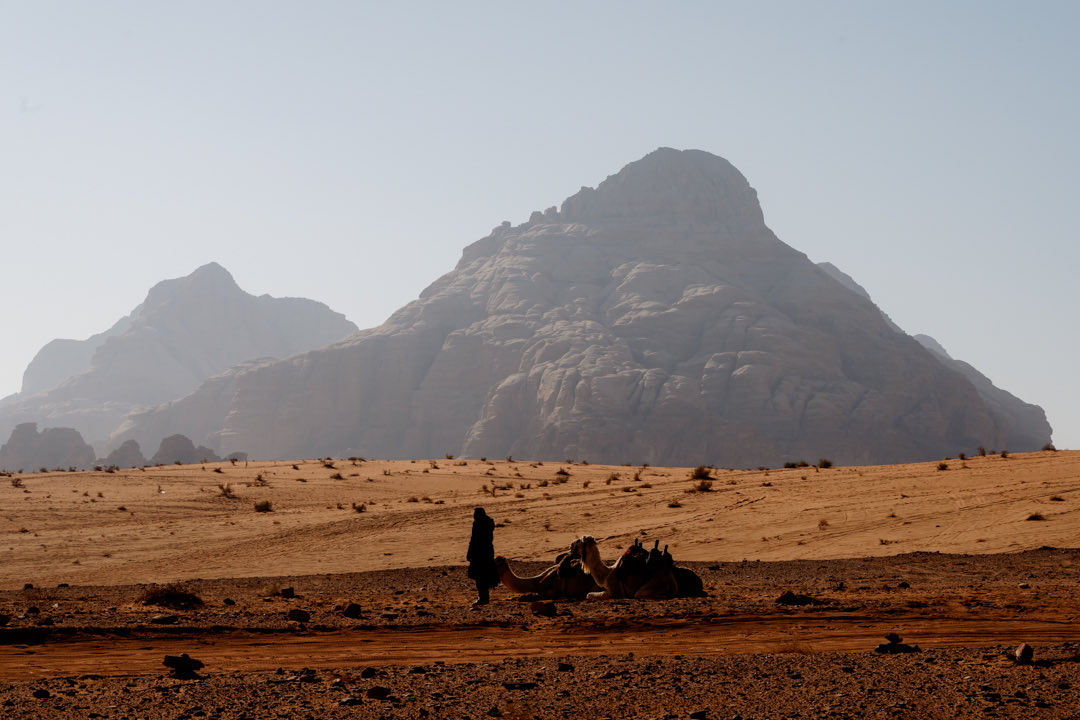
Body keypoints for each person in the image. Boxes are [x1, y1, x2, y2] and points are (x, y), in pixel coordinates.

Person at [466, 507, 498, 606]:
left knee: (479, 576)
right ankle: (485, 597)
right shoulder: (489, 522)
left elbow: (474, 539)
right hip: (488, 551)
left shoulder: (478, 523)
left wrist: (469, 552)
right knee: (485, 575)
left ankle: (483, 598)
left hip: (479, 553)